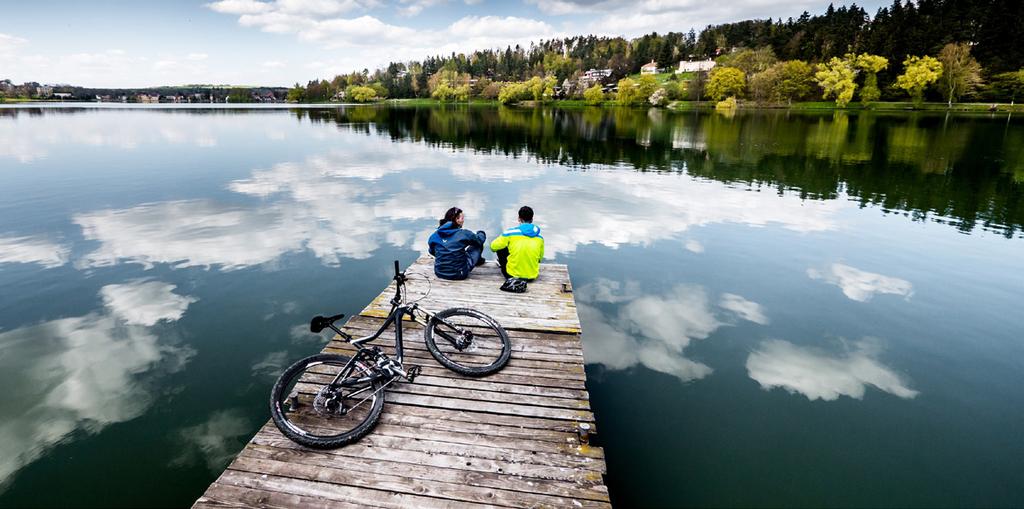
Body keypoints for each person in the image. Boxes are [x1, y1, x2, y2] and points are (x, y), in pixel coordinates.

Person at [427, 207, 486, 280]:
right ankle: (478, 261)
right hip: (459, 274)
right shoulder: (463, 233)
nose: (463, 220)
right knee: (478, 245)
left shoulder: (434, 235)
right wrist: (481, 233)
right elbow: (480, 240)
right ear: (457, 220)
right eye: (462, 218)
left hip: (439, 272)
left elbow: (431, 251)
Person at [490, 205, 544, 281]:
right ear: (532, 219)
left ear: (519, 219)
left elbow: (493, 247)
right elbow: (539, 259)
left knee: (501, 246)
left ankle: (505, 265)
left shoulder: (511, 233)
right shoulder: (539, 238)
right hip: (532, 276)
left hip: (511, 275)